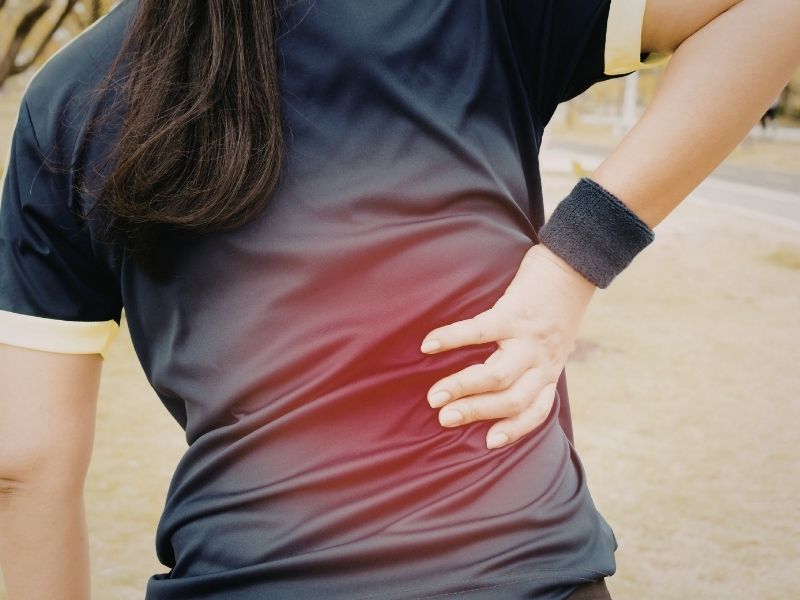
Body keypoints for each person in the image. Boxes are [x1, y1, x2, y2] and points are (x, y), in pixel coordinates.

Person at [0, 1, 797, 599]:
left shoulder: (65, 101)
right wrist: (576, 258)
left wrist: (570, 263)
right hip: (515, 570)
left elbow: (25, 471)